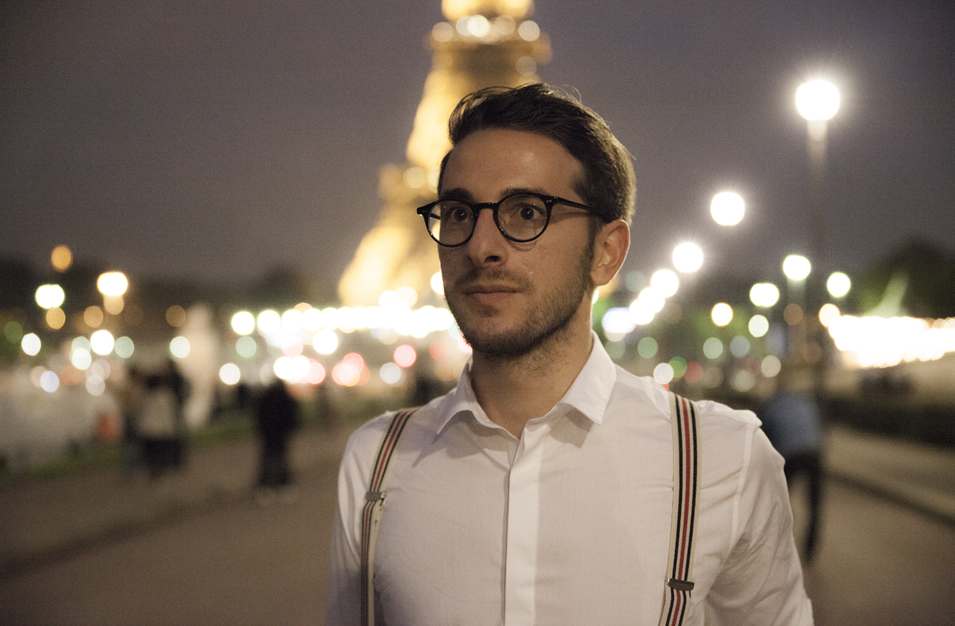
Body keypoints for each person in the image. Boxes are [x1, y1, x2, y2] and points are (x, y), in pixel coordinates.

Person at [327, 84, 813, 625]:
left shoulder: (725, 461)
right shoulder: (373, 463)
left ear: (606, 253)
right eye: (459, 213)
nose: (479, 245)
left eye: (527, 212)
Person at [759, 365, 825, 562]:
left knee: (779, 502)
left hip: (790, 455)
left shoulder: (772, 405)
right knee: (815, 504)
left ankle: (777, 549)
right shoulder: (806, 402)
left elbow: (762, 436)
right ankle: (810, 550)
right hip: (814, 452)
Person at [254, 378, 300, 496]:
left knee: (268, 459)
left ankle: (265, 485)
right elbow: (292, 416)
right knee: (281, 459)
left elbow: (259, 417)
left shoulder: (265, 398)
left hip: (268, 435)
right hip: (280, 435)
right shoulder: (286, 398)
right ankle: (283, 483)